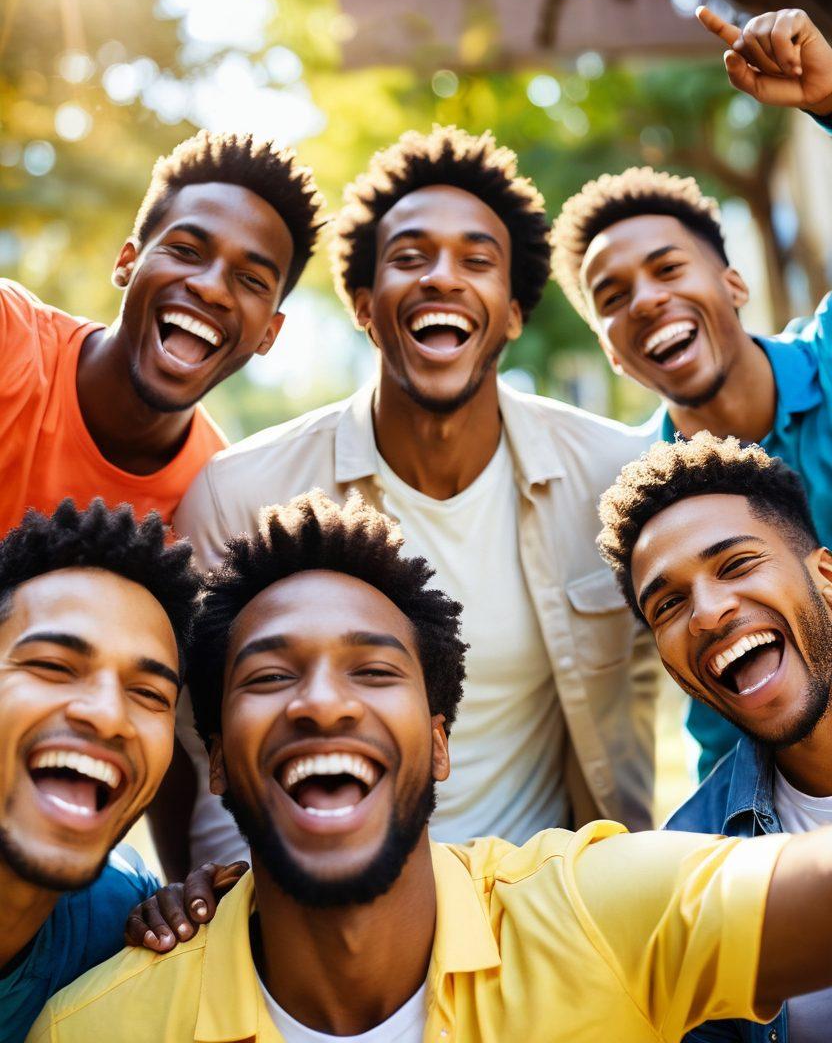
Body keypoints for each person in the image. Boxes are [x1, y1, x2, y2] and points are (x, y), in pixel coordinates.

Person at [28, 489, 832, 1043]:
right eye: (270, 676)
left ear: (439, 742)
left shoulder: (595, 912)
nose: (323, 703)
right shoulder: (93, 1028)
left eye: (374, 670)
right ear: (217, 764)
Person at [174, 124, 658, 869]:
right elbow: (206, 750)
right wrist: (239, 907)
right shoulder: (242, 496)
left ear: (513, 310)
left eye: (476, 260)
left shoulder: (612, 475)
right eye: (409, 257)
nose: (441, 278)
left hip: (549, 897)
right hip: (325, 903)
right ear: (365, 306)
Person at [551, 6, 832, 778]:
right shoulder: (651, 515)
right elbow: (723, 706)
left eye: (669, 268)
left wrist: (829, 101)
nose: (645, 300)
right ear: (612, 353)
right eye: (613, 297)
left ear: (733, 284)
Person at [597, 431, 832, 1043]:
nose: (706, 612)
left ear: (826, 577)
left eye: (736, 565)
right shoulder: (691, 861)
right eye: (668, 605)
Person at [0, 497, 243, 1042]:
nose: (109, 715)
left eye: (149, 693)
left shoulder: (122, 917)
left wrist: (204, 925)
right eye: (52, 666)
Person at [0, 128, 324, 536]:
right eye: (186, 251)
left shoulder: (217, 506)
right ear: (127, 262)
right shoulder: (9, 336)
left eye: (252, 280)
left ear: (269, 334)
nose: (211, 288)